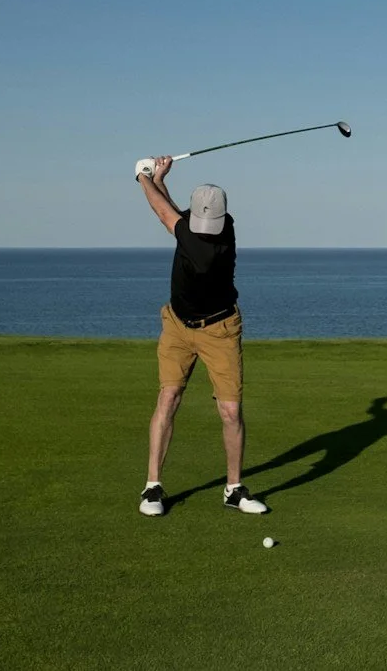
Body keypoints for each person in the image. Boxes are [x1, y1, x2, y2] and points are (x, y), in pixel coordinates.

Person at [134, 154, 268, 517]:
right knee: (169, 397)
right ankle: (152, 488)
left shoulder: (213, 236)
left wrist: (142, 176)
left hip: (220, 329)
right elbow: (173, 213)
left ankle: (234, 489)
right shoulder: (203, 225)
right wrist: (161, 178)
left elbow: (166, 215)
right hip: (177, 325)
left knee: (230, 410)